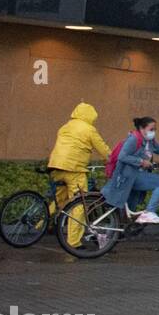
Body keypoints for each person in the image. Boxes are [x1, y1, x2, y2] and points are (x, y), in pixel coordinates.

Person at [47, 102, 112, 247]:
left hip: (56, 166)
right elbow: (102, 148)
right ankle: (73, 242)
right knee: (80, 204)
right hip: (74, 169)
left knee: (61, 199)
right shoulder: (89, 129)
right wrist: (112, 159)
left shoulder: (65, 127)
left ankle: (40, 224)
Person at [100, 117, 159, 224]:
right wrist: (141, 161)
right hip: (128, 176)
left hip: (136, 175)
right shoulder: (134, 139)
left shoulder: (149, 140)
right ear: (142, 128)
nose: (153, 132)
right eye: (151, 129)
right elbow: (122, 156)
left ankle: (109, 237)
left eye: (155, 129)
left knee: (127, 214)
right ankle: (149, 213)